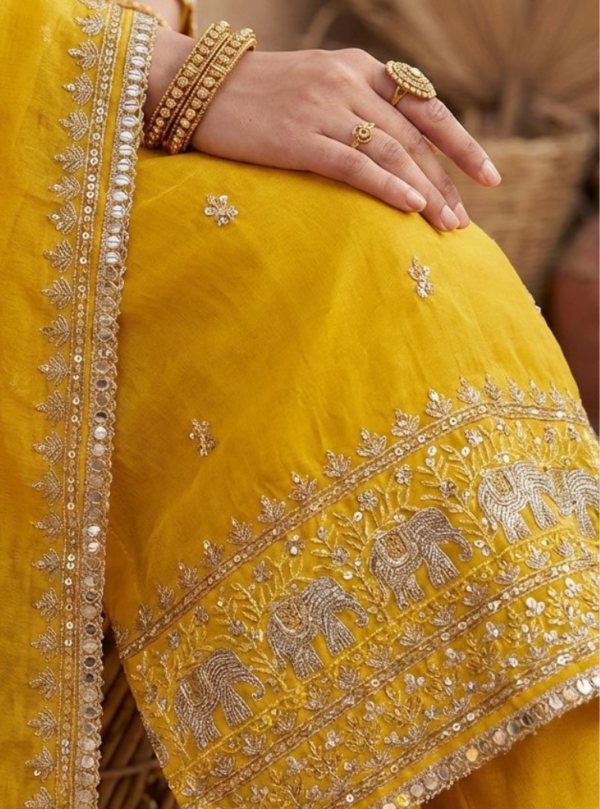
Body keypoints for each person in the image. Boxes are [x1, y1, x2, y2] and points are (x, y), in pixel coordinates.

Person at [0, 0, 597, 807]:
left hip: (87, 105)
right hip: (50, 131)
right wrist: (174, 74)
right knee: (339, 270)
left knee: (416, 270)